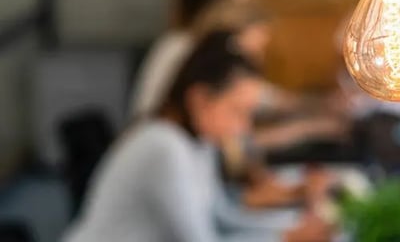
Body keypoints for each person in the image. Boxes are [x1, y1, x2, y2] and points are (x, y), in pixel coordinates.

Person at [65, 31, 332, 242]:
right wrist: (288, 236)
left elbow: (222, 216)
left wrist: (290, 227)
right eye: (238, 112)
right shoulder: (164, 147)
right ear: (200, 99)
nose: (244, 126)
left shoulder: (198, 142)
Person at [132, 0, 246, 117]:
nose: (241, 11)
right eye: (236, 0)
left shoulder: (179, 43)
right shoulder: (184, 46)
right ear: (219, 3)